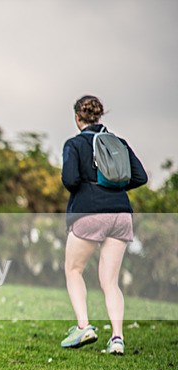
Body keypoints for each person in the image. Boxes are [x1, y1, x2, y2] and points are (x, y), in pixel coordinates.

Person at [60, 95, 148, 354]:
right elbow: (140, 176)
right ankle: (117, 338)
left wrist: (93, 187)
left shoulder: (74, 144)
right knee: (110, 281)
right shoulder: (118, 142)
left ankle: (84, 326)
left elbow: (71, 179)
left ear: (78, 118)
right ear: (99, 117)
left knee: (74, 269)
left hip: (89, 212)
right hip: (121, 213)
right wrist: (113, 186)